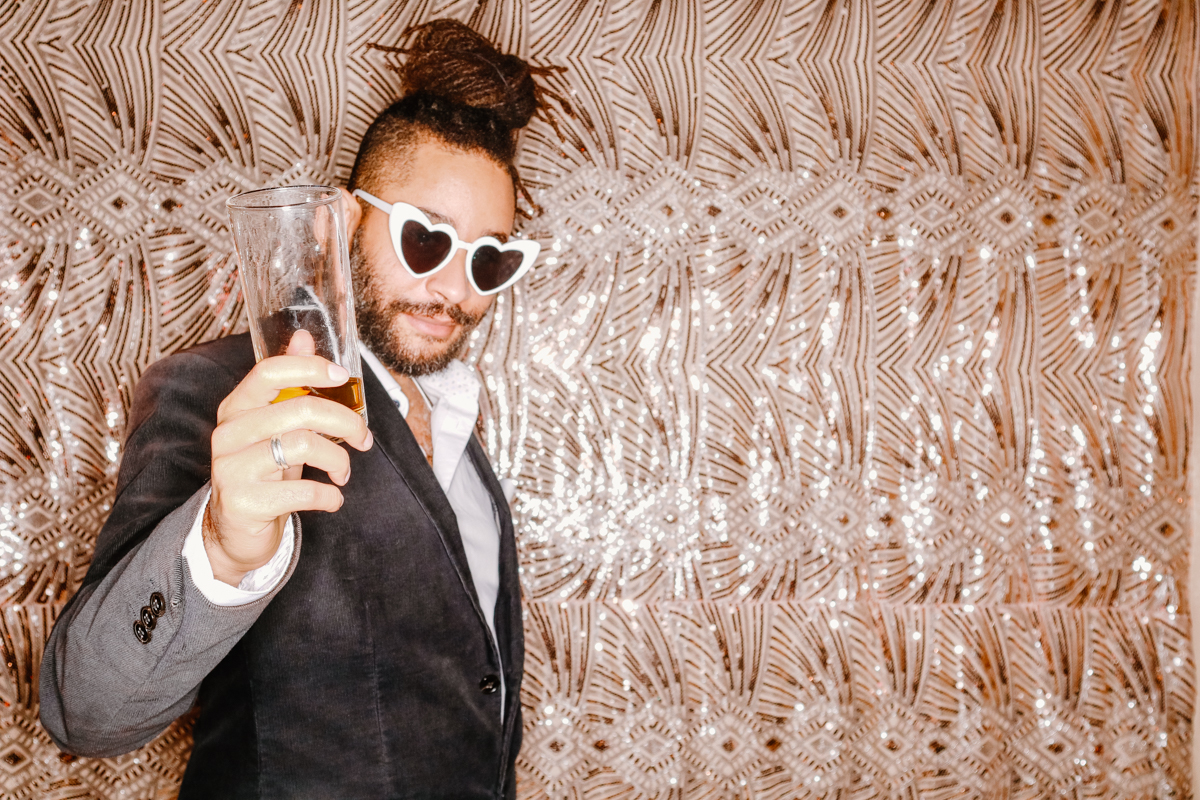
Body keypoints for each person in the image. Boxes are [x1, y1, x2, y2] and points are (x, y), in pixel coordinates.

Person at [40, 20, 555, 798]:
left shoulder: (457, 424)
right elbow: (86, 711)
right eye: (426, 241)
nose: (454, 289)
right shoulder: (223, 390)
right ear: (346, 221)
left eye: (490, 259)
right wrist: (221, 543)